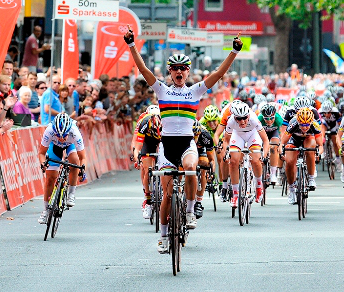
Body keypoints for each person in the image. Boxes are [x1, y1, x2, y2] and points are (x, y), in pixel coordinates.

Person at [124, 25, 243, 254]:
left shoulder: (195, 91)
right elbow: (142, 68)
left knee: (190, 168)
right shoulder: (161, 90)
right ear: (170, 72)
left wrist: (234, 51)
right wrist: (131, 44)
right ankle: (164, 237)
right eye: (175, 69)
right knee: (167, 194)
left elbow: (218, 74)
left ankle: (189, 211)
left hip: (187, 142)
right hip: (166, 146)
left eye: (183, 69)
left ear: (188, 72)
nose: (179, 72)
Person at [38, 113, 86, 224]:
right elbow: (41, 153)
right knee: (50, 178)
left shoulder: (75, 133)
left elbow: (83, 157)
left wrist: (83, 170)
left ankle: (71, 194)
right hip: (54, 147)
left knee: (74, 161)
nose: (61, 138)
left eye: (64, 135)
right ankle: (45, 211)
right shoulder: (49, 131)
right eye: (58, 135)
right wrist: (43, 163)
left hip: (70, 146)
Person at [223, 102, 269, 208]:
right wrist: (225, 153)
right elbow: (226, 141)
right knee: (233, 161)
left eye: (244, 118)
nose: (242, 121)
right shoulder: (230, 122)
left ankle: (258, 186)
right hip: (237, 135)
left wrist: (264, 156)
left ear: (248, 115)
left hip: (253, 135)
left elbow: (265, 140)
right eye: (238, 119)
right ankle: (235, 195)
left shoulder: (254, 119)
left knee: (256, 160)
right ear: (234, 117)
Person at [281, 108, 323, 204]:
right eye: (302, 125)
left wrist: (318, 153)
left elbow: (320, 145)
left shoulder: (315, 124)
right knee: (289, 161)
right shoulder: (293, 122)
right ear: (298, 122)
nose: (304, 128)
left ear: (311, 122)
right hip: (294, 139)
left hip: (309, 138)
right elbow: (282, 142)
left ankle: (311, 178)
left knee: (310, 150)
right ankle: (291, 189)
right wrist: (281, 151)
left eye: (307, 125)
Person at [132, 114, 162, 219]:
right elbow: (138, 147)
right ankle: (148, 201)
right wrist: (138, 158)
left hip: (163, 141)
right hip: (148, 142)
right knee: (148, 168)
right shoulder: (144, 123)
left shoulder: (167, 123)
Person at [193, 119, 215, 219]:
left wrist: (212, 172)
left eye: (197, 135)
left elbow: (211, 159)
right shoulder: (182, 135)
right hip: (186, 148)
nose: (195, 138)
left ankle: (198, 201)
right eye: (193, 136)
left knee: (205, 164)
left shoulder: (206, 135)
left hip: (201, 149)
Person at [257, 103, 283, 183]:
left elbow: (282, 133)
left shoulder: (278, 119)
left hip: (274, 133)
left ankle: (273, 174)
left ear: (274, 116)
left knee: (273, 147)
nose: (269, 121)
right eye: (266, 119)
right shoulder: (259, 118)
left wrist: (280, 145)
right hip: (263, 133)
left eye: (271, 118)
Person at [318, 100, 342, 172]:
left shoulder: (336, 112)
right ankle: (322, 147)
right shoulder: (319, 112)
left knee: (335, 140)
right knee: (322, 128)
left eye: (328, 112)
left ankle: (337, 158)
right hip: (324, 125)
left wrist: (338, 133)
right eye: (325, 113)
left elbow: (340, 124)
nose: (326, 114)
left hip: (334, 126)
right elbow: (318, 125)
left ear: (331, 111)